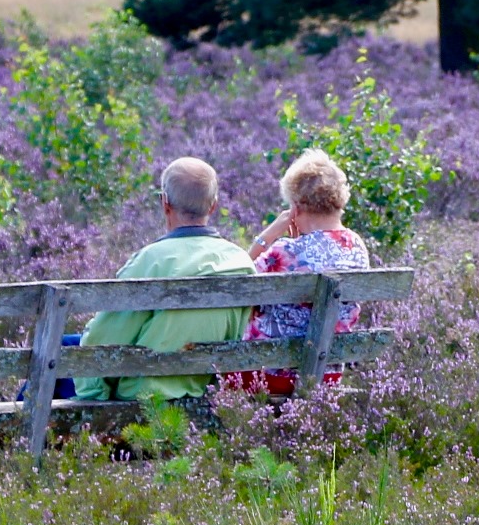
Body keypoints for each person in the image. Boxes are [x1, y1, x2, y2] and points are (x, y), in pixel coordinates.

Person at [73, 158, 255, 403]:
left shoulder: (151, 261)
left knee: (60, 357)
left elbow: (101, 343)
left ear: (164, 202)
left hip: (142, 393)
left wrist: (94, 397)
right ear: (213, 206)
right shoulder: (240, 262)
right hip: (201, 390)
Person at [231, 148, 372, 396]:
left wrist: (267, 236)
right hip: (328, 374)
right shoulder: (357, 246)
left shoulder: (285, 251)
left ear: (295, 208)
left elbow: (236, 284)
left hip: (270, 375)